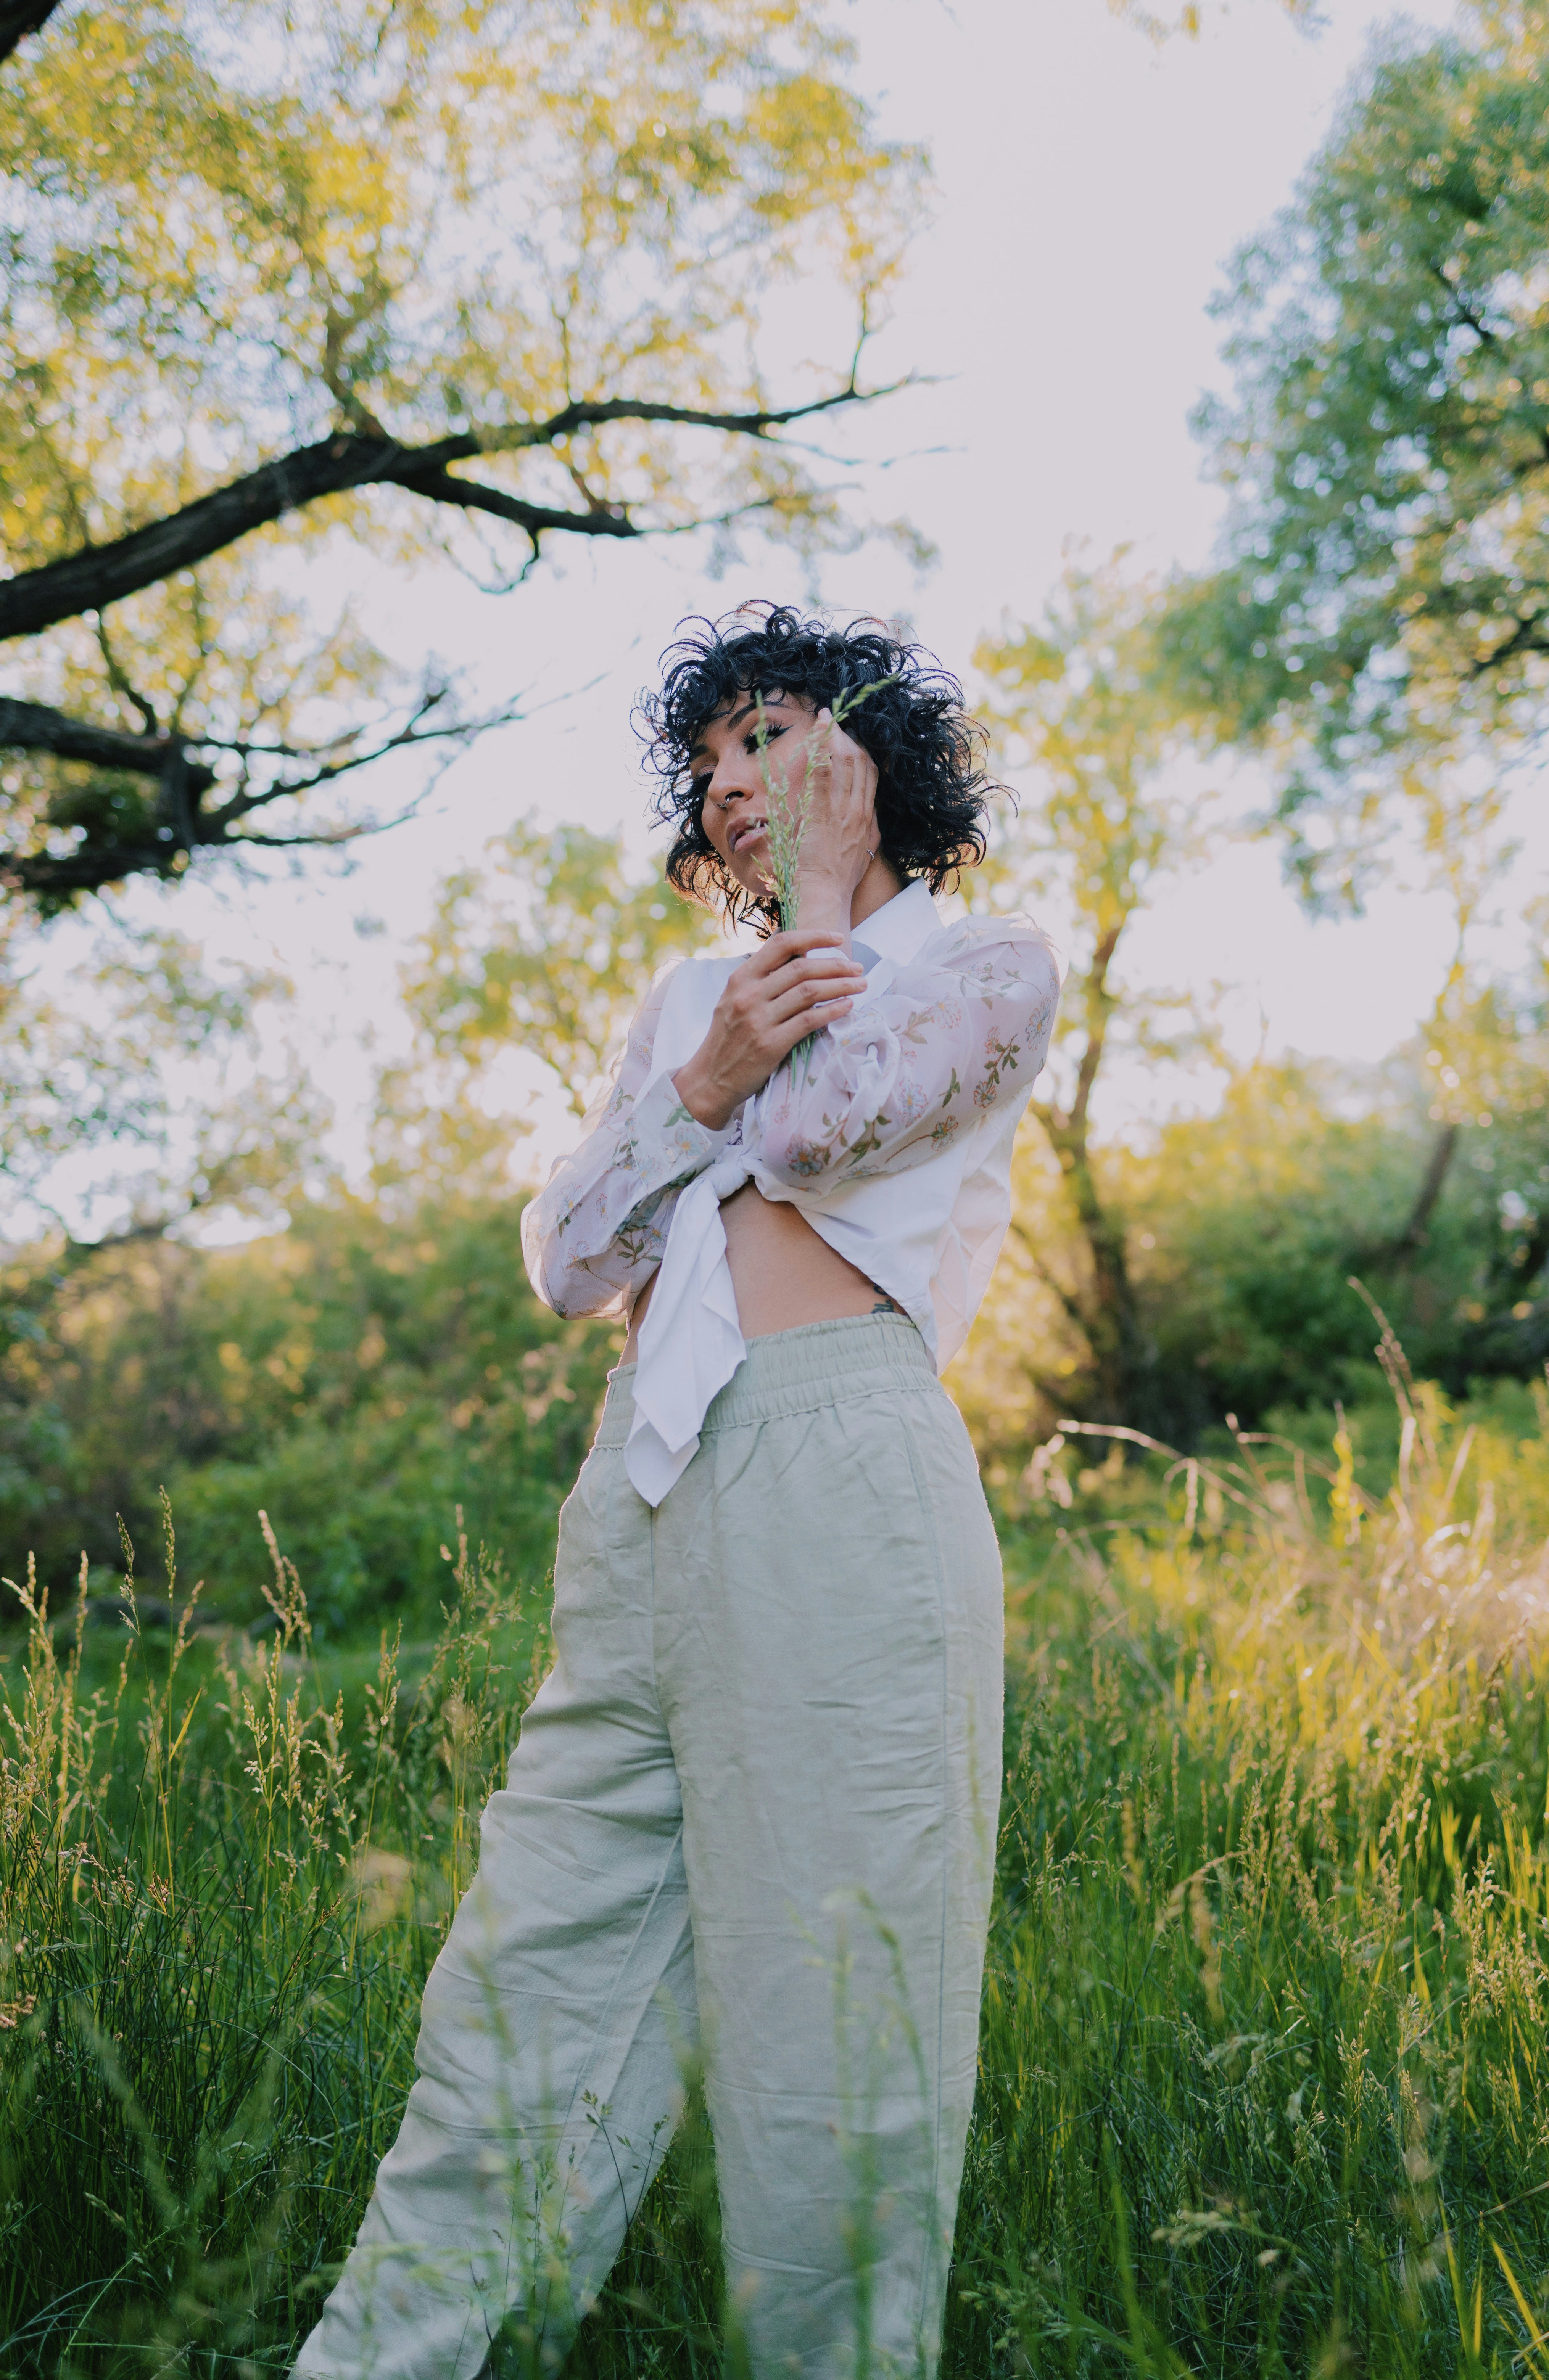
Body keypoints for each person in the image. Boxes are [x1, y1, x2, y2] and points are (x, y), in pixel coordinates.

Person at [293, 607, 1062, 2380]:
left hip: (841, 1472)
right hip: (637, 1476)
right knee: (521, 1981)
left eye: (768, 741)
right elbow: (568, 1261)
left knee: (835, 2027)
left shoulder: (990, 967)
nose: (729, 785)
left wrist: (807, 926)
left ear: (869, 764)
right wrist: (699, 1068)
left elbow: (816, 1136)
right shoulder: (677, 1006)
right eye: (707, 761)